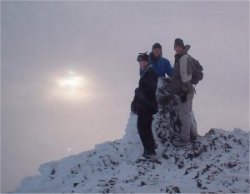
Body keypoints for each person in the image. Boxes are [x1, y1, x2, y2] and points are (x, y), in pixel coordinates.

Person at [131, 52, 158, 158]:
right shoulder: (147, 72)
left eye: (143, 61)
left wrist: (138, 91)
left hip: (146, 105)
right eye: (140, 62)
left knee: (142, 127)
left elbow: (149, 89)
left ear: (147, 62)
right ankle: (150, 149)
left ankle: (149, 151)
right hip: (147, 105)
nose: (141, 63)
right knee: (145, 127)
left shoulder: (149, 72)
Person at [171, 38, 198, 146]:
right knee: (187, 113)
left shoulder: (183, 58)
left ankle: (185, 139)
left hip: (185, 91)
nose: (177, 48)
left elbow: (185, 77)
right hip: (187, 90)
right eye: (175, 47)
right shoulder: (180, 57)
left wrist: (183, 91)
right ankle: (193, 135)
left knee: (184, 114)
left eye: (179, 46)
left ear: (182, 47)